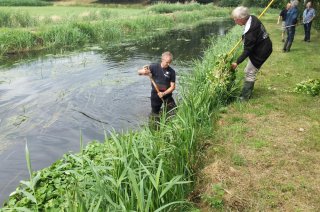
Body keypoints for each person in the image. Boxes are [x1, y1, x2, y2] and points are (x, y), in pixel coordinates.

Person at [230, 6, 273, 101]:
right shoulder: (252, 17)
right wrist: (244, 37)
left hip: (262, 50)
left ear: (241, 19)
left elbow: (247, 50)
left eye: (235, 19)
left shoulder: (250, 32)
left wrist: (237, 62)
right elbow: (252, 37)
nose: (235, 21)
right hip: (262, 45)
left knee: (249, 71)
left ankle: (244, 98)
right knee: (248, 69)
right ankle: (246, 93)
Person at [138, 51, 176, 123]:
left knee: (173, 110)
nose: (168, 64)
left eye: (170, 62)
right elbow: (139, 72)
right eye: (167, 62)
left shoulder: (172, 72)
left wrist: (163, 93)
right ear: (162, 60)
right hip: (155, 95)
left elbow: (173, 87)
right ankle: (155, 126)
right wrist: (144, 72)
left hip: (167, 95)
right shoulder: (154, 67)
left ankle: (168, 123)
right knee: (155, 113)